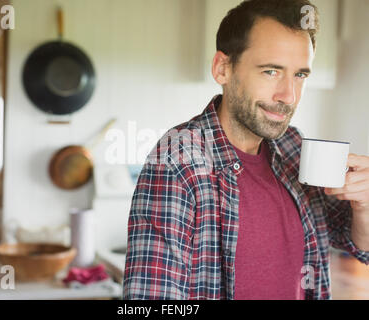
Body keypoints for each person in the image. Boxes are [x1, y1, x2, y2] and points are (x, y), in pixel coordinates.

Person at [123, 0, 369, 300]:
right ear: (222, 68)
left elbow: (356, 242)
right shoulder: (179, 159)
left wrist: (364, 205)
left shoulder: (293, 146)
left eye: (300, 75)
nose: (288, 96)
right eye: (270, 71)